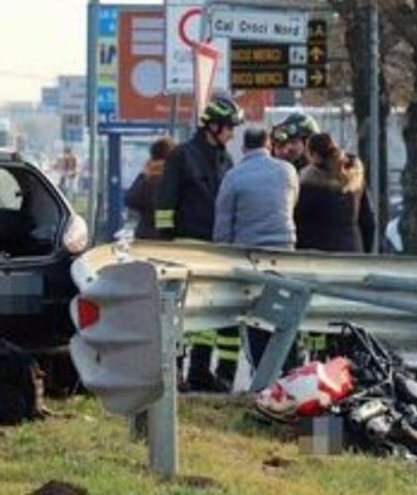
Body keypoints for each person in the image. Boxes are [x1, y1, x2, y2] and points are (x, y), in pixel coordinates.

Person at [156, 95, 243, 393]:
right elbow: (166, 199)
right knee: (182, 313)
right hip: (184, 246)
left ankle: (200, 370)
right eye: (228, 127)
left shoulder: (225, 159)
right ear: (213, 125)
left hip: (214, 247)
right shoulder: (182, 155)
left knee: (206, 313)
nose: (231, 134)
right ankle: (176, 372)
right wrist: (167, 241)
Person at [213, 127, 298, 372]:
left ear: (243, 148)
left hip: (249, 255)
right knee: (284, 311)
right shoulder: (287, 171)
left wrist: (222, 258)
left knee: (255, 315)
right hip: (284, 252)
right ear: (269, 144)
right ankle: (287, 367)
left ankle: (261, 370)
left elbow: (223, 222)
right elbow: (292, 204)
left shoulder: (234, 176)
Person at [295, 133, 377, 254]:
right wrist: (364, 252)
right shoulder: (355, 182)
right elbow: (368, 222)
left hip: (316, 256)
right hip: (351, 252)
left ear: (313, 154)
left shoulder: (307, 185)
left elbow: (297, 221)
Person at [125, 136, 175, 240]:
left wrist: (144, 173)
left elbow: (130, 200)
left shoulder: (147, 178)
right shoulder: (173, 178)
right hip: (167, 239)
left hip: (144, 236)